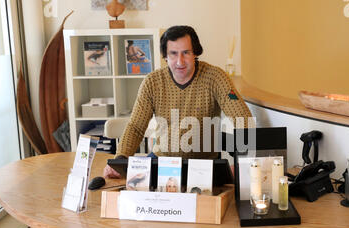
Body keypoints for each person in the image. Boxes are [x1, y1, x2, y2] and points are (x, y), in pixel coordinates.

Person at [104, 25, 253, 178]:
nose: (180, 61)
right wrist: (120, 160)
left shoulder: (215, 77)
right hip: (161, 161)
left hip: (203, 166)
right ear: (165, 56)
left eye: (186, 53)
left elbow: (243, 119)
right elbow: (135, 127)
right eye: (173, 54)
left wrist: (240, 163)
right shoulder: (152, 82)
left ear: (195, 52)